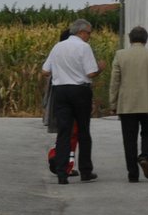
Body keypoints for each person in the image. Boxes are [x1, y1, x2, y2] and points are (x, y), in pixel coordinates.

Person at [42, 17, 103, 184]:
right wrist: (100, 69)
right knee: (83, 131)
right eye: (88, 33)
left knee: (64, 132)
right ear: (81, 32)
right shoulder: (84, 47)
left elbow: (45, 70)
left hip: (60, 91)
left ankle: (62, 173)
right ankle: (85, 171)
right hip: (79, 90)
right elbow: (90, 73)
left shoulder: (57, 47)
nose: (89, 36)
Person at [108, 24, 148, 182]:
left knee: (129, 140)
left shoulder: (120, 55)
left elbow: (115, 81)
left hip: (127, 105)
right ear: (146, 40)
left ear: (130, 39)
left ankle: (132, 174)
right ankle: (145, 156)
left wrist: (113, 103)